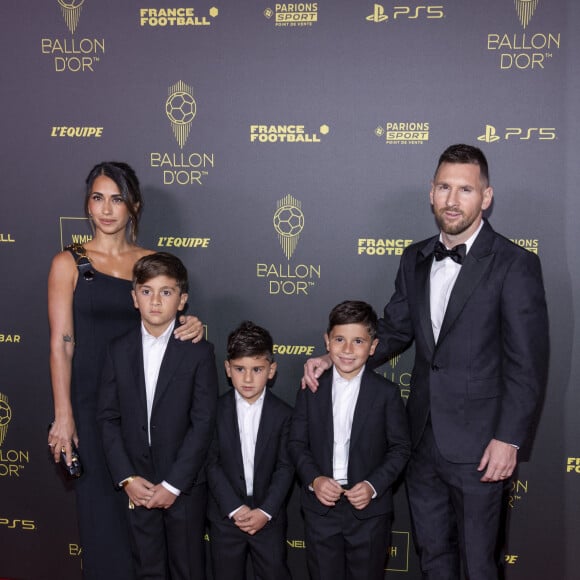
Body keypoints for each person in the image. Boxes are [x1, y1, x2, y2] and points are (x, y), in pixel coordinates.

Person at [302, 145, 549, 580]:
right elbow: (395, 330)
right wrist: (335, 356)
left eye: (465, 189)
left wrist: (508, 439)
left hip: (481, 446)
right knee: (433, 558)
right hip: (420, 441)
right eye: (444, 188)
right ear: (430, 193)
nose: (453, 200)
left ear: (486, 197)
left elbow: (526, 364)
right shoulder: (414, 257)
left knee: (479, 564)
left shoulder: (515, 264)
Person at [47, 162, 203, 579]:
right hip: (90, 406)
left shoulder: (152, 263)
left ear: (133, 205)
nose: (107, 209)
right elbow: (62, 344)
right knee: (102, 523)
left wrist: (193, 323)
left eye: (116, 198)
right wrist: (64, 416)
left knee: (150, 530)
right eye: (98, 198)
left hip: (143, 409)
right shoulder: (69, 263)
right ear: (87, 205)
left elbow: (171, 314)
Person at [98, 252, 218, 579]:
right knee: (146, 568)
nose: (155, 301)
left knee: (188, 568)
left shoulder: (199, 351)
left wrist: (175, 484)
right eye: (147, 291)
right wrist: (127, 478)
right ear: (134, 297)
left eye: (166, 292)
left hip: (184, 486)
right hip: (138, 483)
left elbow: (203, 422)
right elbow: (108, 418)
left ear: (182, 301)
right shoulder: (117, 349)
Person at [290, 300, 411, 580]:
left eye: (358, 341)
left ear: (373, 346)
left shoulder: (387, 393)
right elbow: (296, 443)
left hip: (369, 513)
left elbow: (400, 448)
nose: (347, 350)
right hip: (321, 510)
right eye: (340, 340)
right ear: (327, 342)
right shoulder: (311, 389)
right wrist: (315, 480)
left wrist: (372, 485)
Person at [206, 321, 294, 580]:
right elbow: (210, 462)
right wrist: (235, 508)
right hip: (225, 517)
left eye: (257, 369)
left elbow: (286, 467)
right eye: (239, 368)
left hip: (269, 518)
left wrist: (265, 511)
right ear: (227, 369)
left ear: (271, 370)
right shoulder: (213, 411)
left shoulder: (285, 415)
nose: (247, 378)